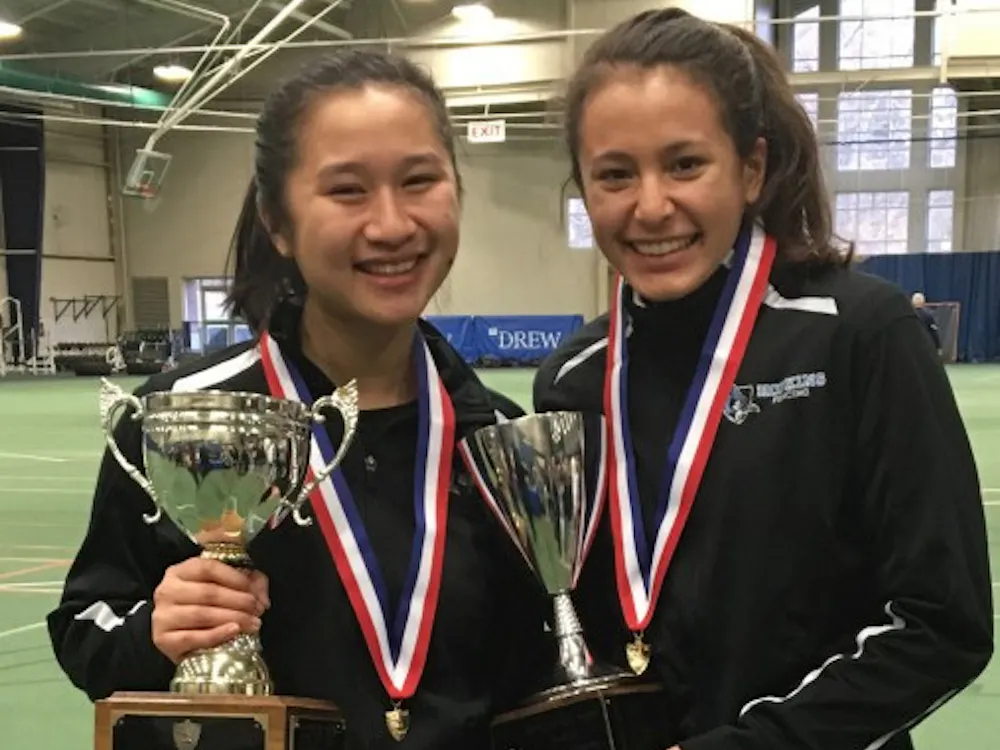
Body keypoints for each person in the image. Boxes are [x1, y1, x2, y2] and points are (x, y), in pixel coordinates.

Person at [48, 49, 548, 750]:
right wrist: (152, 632)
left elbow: (527, 682)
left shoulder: (498, 437)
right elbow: (85, 630)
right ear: (277, 221)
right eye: (347, 190)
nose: (391, 224)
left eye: (419, 180)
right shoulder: (185, 414)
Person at [534, 9, 993, 750]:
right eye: (615, 174)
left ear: (751, 169)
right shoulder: (573, 380)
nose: (651, 206)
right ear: (584, 191)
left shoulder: (858, 335)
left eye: (685, 165)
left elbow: (940, 624)